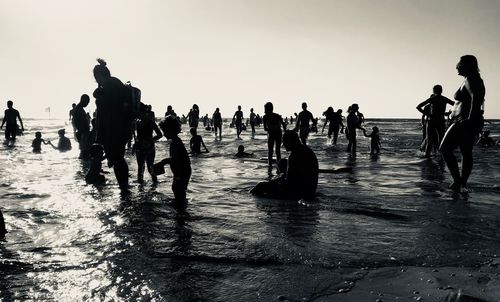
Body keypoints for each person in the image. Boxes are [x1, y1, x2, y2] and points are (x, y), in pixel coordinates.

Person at [440, 55, 485, 192]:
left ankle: (458, 181)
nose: (457, 67)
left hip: (464, 121)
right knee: (466, 152)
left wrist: (470, 119)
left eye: (460, 64)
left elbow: (476, 99)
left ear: (468, 65)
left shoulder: (471, 79)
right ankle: (461, 183)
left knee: (444, 148)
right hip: (465, 120)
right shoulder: (470, 79)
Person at [93, 58, 133, 191]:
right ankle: (124, 188)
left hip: (114, 128)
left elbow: (110, 107)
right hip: (120, 127)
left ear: (97, 75)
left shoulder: (109, 84)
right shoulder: (113, 82)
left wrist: (99, 96)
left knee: (117, 159)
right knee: (118, 159)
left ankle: (124, 189)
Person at [251, 131, 319, 200]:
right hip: (310, 190)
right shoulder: (308, 151)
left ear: (291, 141)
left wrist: (274, 181)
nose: (283, 145)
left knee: (261, 186)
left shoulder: (293, 155)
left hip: (299, 192)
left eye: (284, 142)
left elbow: (289, 181)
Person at [158, 116, 192, 202]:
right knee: (178, 189)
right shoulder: (175, 141)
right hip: (182, 170)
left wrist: (163, 162)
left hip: (182, 171)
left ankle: (181, 210)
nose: (164, 134)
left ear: (171, 130)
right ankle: (181, 207)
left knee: (178, 189)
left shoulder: (176, 142)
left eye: (165, 131)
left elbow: (175, 159)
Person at [416, 85, 455, 157]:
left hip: (432, 121)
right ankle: (442, 157)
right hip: (440, 121)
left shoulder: (432, 99)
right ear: (441, 90)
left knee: (429, 141)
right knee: (441, 140)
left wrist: (428, 114)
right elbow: (455, 105)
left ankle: (427, 158)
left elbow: (418, 107)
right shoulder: (444, 99)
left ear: (434, 91)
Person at [134, 103, 163, 184]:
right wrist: (135, 145)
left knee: (150, 168)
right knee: (141, 169)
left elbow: (160, 135)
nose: (138, 114)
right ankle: (141, 188)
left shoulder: (151, 123)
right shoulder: (137, 122)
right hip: (140, 147)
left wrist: (150, 139)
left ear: (144, 112)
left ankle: (154, 184)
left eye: (139, 112)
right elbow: (136, 136)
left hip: (149, 148)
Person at [263, 102, 286, 167]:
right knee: (277, 150)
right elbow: (284, 124)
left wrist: (270, 129)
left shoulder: (265, 117)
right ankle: (279, 165)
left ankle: (270, 166)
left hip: (271, 134)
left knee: (270, 150)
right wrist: (285, 132)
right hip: (279, 133)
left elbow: (265, 128)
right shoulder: (277, 115)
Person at [72, 94, 91, 158]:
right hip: (82, 132)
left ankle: (83, 166)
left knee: (83, 152)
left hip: (82, 132)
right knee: (84, 152)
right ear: (83, 100)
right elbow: (77, 122)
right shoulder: (79, 109)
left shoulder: (79, 108)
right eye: (87, 102)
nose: (87, 104)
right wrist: (83, 131)